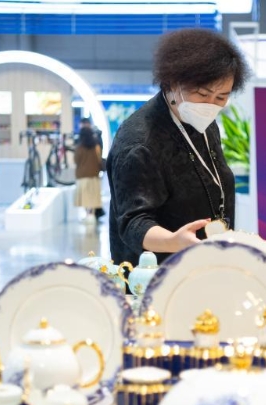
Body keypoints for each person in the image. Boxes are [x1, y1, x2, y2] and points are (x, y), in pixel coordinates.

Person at [107, 28, 250, 266]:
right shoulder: (139, 143)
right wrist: (173, 241)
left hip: (205, 266)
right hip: (159, 273)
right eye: (202, 94)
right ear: (173, 82)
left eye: (221, 97)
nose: (210, 105)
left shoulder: (205, 124)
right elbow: (132, 223)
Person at [74, 122, 103, 226]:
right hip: (94, 176)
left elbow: (76, 160)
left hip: (82, 177)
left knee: (85, 198)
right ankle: (91, 214)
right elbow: (99, 160)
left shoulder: (79, 147)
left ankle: (87, 214)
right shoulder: (96, 146)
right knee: (93, 197)